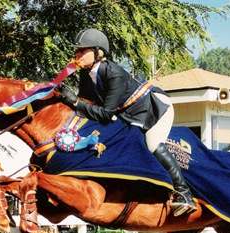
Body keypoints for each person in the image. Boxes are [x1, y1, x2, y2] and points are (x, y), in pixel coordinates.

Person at [57, 28, 196, 216]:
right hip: (130, 114)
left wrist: (74, 101)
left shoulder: (114, 73)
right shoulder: (86, 74)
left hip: (155, 110)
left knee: (152, 144)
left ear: (98, 52)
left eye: (83, 51)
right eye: (77, 51)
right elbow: (87, 105)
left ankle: (184, 193)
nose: (77, 55)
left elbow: (105, 114)